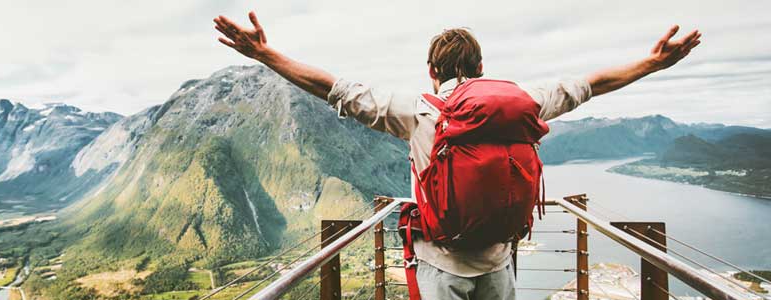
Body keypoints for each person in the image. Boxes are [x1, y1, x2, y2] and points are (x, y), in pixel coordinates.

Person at [213, 11, 701, 300]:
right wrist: (654, 63)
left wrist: (264, 54)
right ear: (483, 68)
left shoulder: (415, 110)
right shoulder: (526, 100)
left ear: (431, 71)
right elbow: (593, 85)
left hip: (440, 264)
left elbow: (334, 88)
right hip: (498, 263)